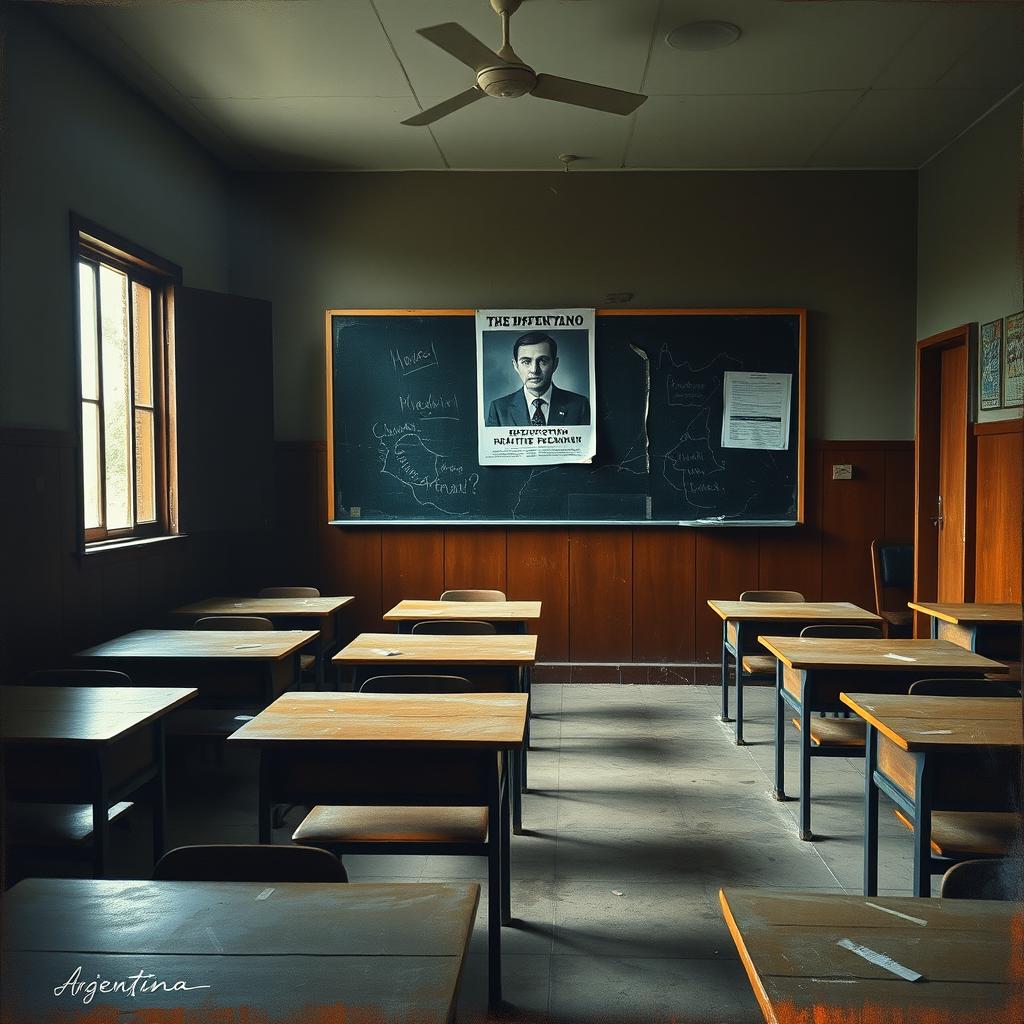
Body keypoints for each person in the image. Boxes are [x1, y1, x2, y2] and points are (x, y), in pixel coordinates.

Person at [485, 331, 591, 427]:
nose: (534, 370)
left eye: (542, 361)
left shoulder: (579, 406)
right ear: (515, 366)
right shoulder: (498, 409)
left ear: (555, 364)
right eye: (526, 362)